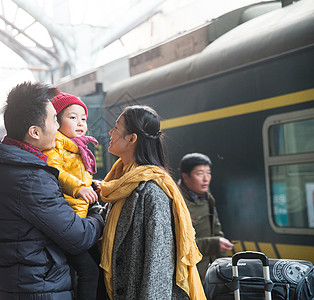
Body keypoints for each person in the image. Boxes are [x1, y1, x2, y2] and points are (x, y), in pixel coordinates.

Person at [0, 81, 104, 300]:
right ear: (35, 132)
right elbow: (79, 236)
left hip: (26, 286)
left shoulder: (4, 163)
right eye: (54, 119)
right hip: (42, 290)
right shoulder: (30, 177)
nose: (58, 127)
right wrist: (99, 214)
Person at [99, 105, 206, 300]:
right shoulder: (121, 182)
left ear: (132, 139)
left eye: (116, 127)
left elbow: (158, 267)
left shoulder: (152, 191)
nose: (110, 132)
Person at [43, 92, 100, 300]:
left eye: (83, 119)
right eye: (72, 117)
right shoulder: (55, 146)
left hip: (80, 219)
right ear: (56, 121)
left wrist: (94, 186)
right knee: (88, 271)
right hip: (68, 220)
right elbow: (56, 172)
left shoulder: (78, 148)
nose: (80, 123)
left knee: (93, 267)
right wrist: (79, 188)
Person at [178, 153, 234, 283]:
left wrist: (223, 268)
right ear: (185, 177)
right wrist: (214, 244)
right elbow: (180, 245)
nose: (206, 179)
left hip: (209, 274)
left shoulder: (208, 198)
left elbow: (216, 231)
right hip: (188, 276)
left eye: (208, 173)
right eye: (200, 174)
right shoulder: (177, 203)